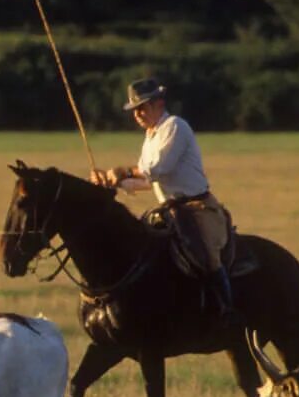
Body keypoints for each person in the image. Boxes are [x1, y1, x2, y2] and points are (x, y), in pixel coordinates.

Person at [90, 77, 240, 327]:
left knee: (204, 255)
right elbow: (149, 181)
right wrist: (110, 181)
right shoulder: (151, 136)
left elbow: (156, 169)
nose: (138, 114)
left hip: (198, 209)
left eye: (142, 108)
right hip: (169, 211)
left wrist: (125, 172)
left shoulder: (174, 127)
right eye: (134, 110)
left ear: (159, 103)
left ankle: (227, 310)